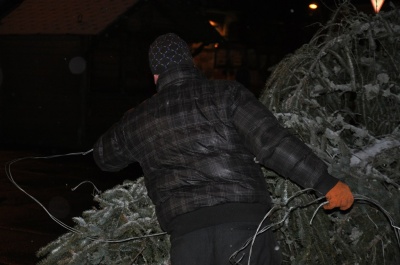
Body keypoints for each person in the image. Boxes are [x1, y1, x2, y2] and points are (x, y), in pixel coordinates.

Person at [93, 33, 354, 265]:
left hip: (188, 241)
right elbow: (272, 142)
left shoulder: (139, 119)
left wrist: (131, 121)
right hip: (246, 231)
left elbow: (104, 156)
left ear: (155, 76)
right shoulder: (227, 94)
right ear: (190, 63)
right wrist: (324, 182)